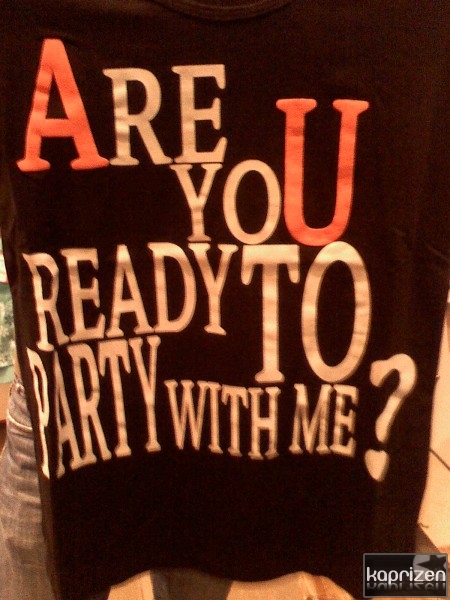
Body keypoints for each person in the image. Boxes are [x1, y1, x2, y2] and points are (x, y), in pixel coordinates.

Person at [0, 1, 448, 599]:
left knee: (213, 538)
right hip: (85, 403)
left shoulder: (414, 24)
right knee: (60, 500)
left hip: (240, 425)